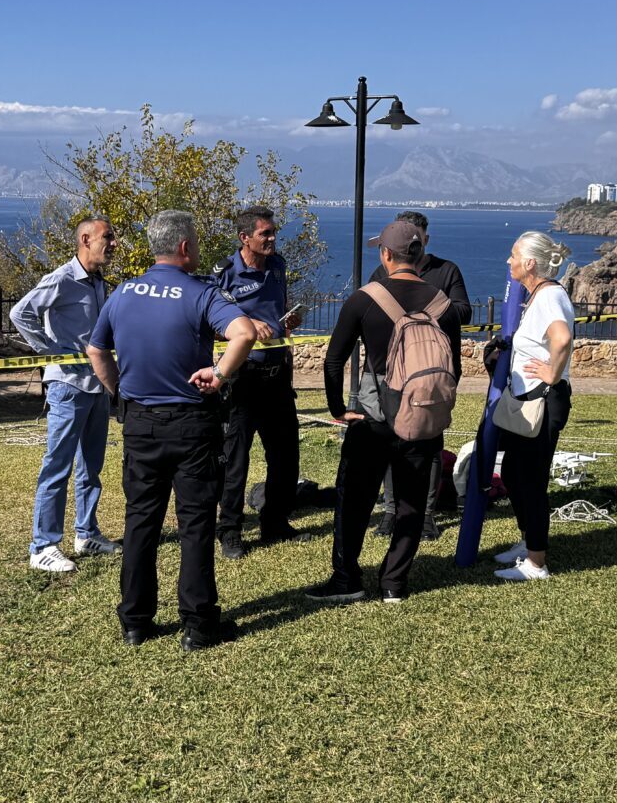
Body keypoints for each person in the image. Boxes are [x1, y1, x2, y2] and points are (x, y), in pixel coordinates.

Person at [87, 210, 256, 652]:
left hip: (140, 421)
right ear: (184, 247)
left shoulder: (124, 292)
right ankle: (199, 626)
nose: (199, 248)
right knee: (196, 522)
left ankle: (135, 622)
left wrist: (119, 394)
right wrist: (219, 373)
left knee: (141, 520)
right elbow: (244, 333)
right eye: (196, 242)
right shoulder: (202, 294)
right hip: (191, 424)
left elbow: (95, 348)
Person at [308, 221, 462, 604]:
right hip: (422, 416)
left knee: (355, 499)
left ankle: (347, 580)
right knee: (411, 500)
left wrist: (338, 409)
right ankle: (395, 582)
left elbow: (333, 362)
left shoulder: (365, 299)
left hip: (372, 416)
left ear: (386, 255)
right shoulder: (443, 305)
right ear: (420, 254)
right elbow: (453, 368)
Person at [11, 219, 121, 572]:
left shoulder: (98, 281)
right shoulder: (61, 278)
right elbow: (20, 313)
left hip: (96, 386)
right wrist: (51, 351)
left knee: (91, 465)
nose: (114, 244)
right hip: (68, 387)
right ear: (85, 239)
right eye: (108, 237)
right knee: (56, 467)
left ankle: (86, 533)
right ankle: (43, 545)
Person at [367, 210, 472, 540]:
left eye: (416, 236)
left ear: (425, 238)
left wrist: (423, 310)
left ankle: (425, 514)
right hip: (390, 373)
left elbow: (463, 311)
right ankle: (390, 510)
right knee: (388, 440)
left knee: (430, 443)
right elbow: (368, 313)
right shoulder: (381, 273)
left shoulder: (446, 271)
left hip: (431, 372)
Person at [212, 206, 306, 559]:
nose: (271, 239)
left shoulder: (278, 265)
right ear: (245, 237)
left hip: (277, 375)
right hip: (243, 378)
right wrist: (247, 324)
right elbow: (211, 321)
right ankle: (230, 530)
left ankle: (275, 522)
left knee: (284, 454)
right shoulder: (224, 273)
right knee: (235, 458)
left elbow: (277, 309)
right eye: (265, 233)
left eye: (273, 232)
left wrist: (289, 320)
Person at [491, 231, 574, 582]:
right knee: (512, 472)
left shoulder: (549, 297)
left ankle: (537, 563)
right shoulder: (537, 296)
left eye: (513, 256)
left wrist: (552, 374)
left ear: (529, 263)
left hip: (544, 401)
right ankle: (528, 542)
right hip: (529, 401)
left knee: (532, 479)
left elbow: (562, 338)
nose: (508, 262)